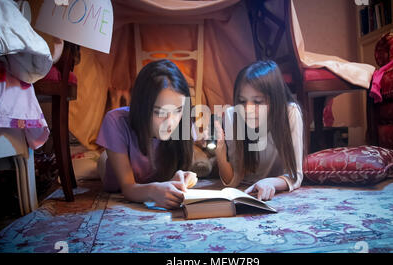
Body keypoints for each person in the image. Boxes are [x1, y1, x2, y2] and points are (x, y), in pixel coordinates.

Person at [96, 59, 197, 209]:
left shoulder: (184, 123)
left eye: (177, 110)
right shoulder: (116, 121)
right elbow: (128, 187)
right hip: (113, 167)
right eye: (159, 112)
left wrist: (183, 178)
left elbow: (182, 172)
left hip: (151, 171)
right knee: (104, 160)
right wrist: (152, 190)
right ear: (142, 107)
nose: (170, 122)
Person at [213, 60, 304, 201]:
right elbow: (233, 181)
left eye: (258, 101)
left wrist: (270, 182)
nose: (247, 109)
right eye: (242, 101)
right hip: (245, 189)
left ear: (275, 100)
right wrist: (220, 152)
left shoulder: (290, 113)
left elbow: (295, 175)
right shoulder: (232, 115)